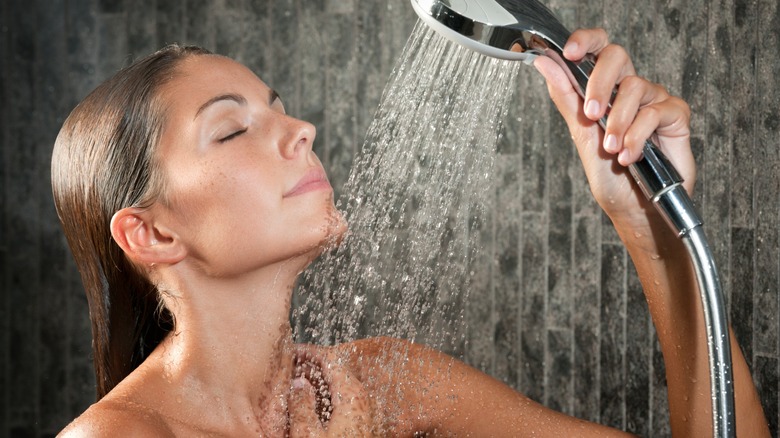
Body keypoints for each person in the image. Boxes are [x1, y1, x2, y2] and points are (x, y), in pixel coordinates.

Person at [53, 27, 769, 437]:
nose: (301, 131)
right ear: (149, 234)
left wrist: (649, 229)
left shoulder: (382, 385)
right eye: (234, 128)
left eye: (280, 109)